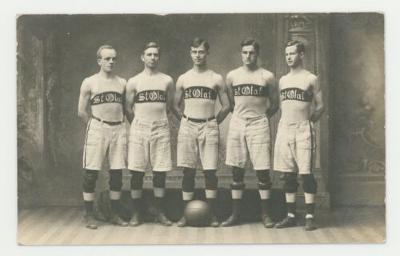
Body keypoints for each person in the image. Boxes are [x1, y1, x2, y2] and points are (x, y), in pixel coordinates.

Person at [173, 37, 230, 227]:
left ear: (207, 53)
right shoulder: (183, 78)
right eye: (194, 52)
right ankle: (185, 214)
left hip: (208, 125)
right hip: (189, 125)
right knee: (188, 172)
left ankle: (212, 214)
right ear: (190, 53)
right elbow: (174, 105)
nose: (197, 55)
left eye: (201, 52)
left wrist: (214, 122)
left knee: (210, 172)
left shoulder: (216, 78)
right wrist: (185, 120)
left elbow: (227, 106)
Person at [221, 38, 279, 228]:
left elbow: (275, 104)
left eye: (251, 53)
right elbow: (231, 103)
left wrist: (261, 118)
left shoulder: (267, 76)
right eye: (245, 52)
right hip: (238, 122)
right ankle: (235, 214)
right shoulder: (232, 76)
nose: (248, 56)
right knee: (237, 169)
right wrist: (241, 117)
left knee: (262, 170)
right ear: (241, 54)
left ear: (257, 54)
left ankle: (266, 215)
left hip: (259, 123)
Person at [274, 40, 324, 231]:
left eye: (292, 53)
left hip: (304, 128)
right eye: (286, 54)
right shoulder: (283, 80)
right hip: (285, 128)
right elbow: (282, 105)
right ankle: (291, 215)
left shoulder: (311, 78)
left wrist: (309, 121)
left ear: (301, 55)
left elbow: (320, 106)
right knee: (288, 174)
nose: (289, 57)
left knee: (306, 174)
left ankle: (310, 216)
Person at [78, 45, 128, 229]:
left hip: (118, 128)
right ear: (99, 61)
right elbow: (81, 112)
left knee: (116, 173)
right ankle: (88, 214)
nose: (111, 62)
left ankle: (113, 213)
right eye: (107, 59)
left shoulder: (122, 82)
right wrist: (96, 127)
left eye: (114, 58)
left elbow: (126, 108)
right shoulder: (89, 82)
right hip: (98, 127)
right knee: (91, 173)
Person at [125, 42, 174, 226]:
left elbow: (169, 106)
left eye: (155, 55)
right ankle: (136, 213)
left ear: (158, 57)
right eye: (149, 54)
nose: (152, 58)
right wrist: (139, 123)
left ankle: (159, 212)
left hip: (160, 126)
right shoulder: (134, 81)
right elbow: (128, 108)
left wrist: (157, 119)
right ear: (142, 57)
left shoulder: (167, 80)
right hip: (139, 126)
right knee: (137, 171)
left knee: (160, 172)